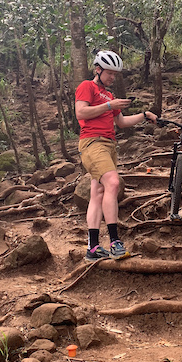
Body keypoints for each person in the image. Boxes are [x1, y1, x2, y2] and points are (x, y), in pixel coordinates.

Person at [75, 50, 157, 261]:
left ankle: (93, 248)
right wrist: (109, 105)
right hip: (92, 142)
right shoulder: (87, 86)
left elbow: (121, 122)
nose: (112, 77)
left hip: (109, 145)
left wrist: (144, 115)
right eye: (109, 73)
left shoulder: (109, 95)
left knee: (98, 192)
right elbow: (81, 112)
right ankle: (115, 242)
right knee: (112, 183)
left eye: (115, 74)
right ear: (98, 69)